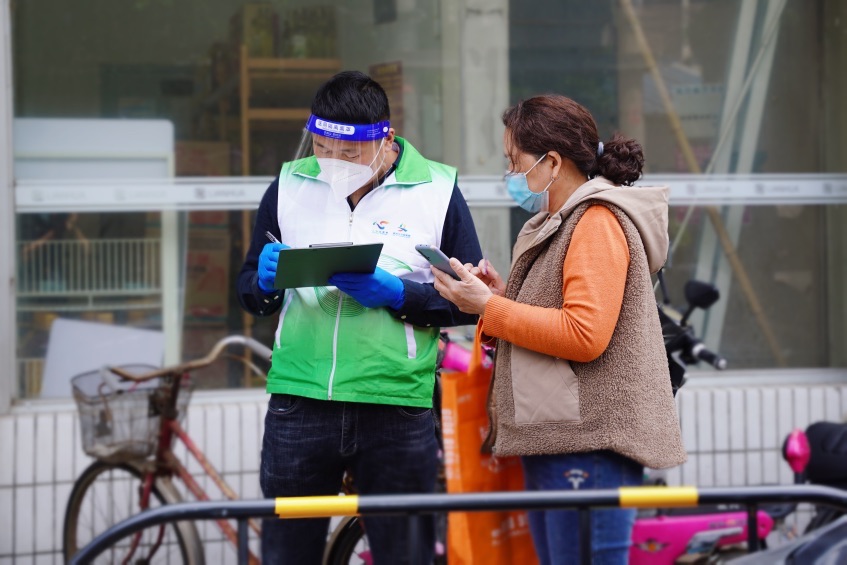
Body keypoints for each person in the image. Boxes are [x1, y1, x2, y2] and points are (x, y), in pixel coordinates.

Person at [237, 70, 483, 564]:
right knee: (287, 552)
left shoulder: (438, 190)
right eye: (323, 148)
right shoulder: (288, 184)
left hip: (395, 402)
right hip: (299, 402)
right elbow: (247, 292)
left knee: (404, 553)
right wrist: (262, 283)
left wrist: (398, 295)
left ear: (385, 138)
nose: (332, 163)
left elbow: (468, 301)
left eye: (348, 154)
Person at [431, 94, 687, 565]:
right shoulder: (560, 220)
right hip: (562, 437)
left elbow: (584, 334)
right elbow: (559, 318)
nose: (510, 175)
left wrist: (489, 306)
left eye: (515, 162)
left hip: (586, 443)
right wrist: (499, 296)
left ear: (551, 161)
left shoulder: (595, 221)